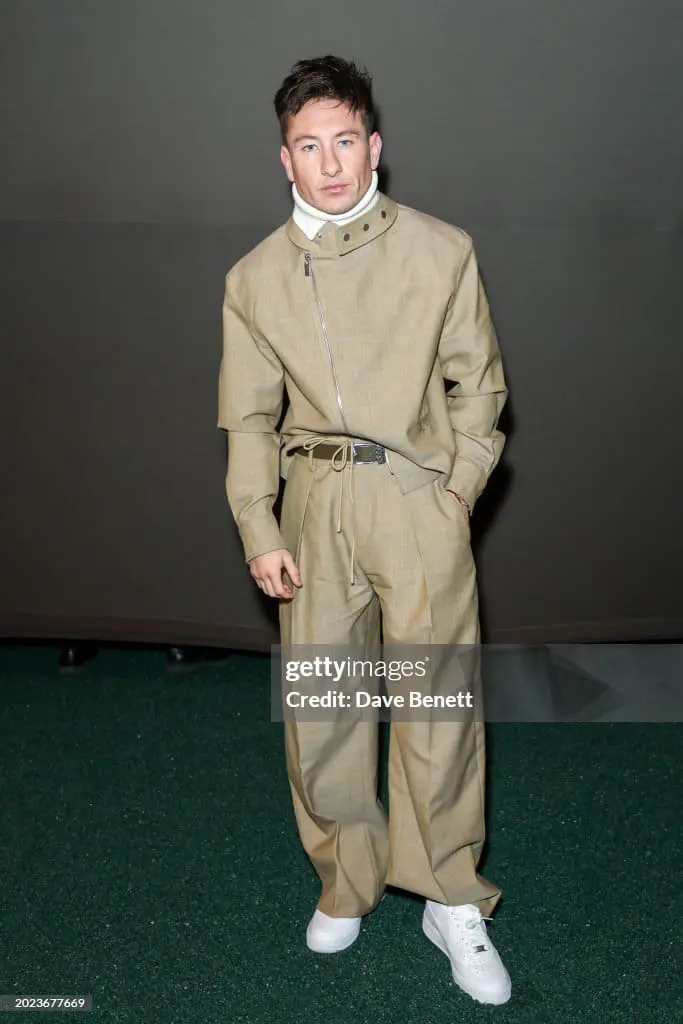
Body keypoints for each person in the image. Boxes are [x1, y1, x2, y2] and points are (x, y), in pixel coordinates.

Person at [217, 56, 511, 1005]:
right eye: (310, 146)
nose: (331, 163)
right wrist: (259, 522)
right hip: (314, 506)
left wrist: (458, 486)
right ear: (284, 159)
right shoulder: (254, 278)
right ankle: (347, 876)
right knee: (325, 711)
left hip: (414, 502)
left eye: (346, 140)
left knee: (436, 706)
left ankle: (447, 895)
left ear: (373, 145)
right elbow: (248, 417)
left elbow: (481, 382)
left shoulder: (440, 249)